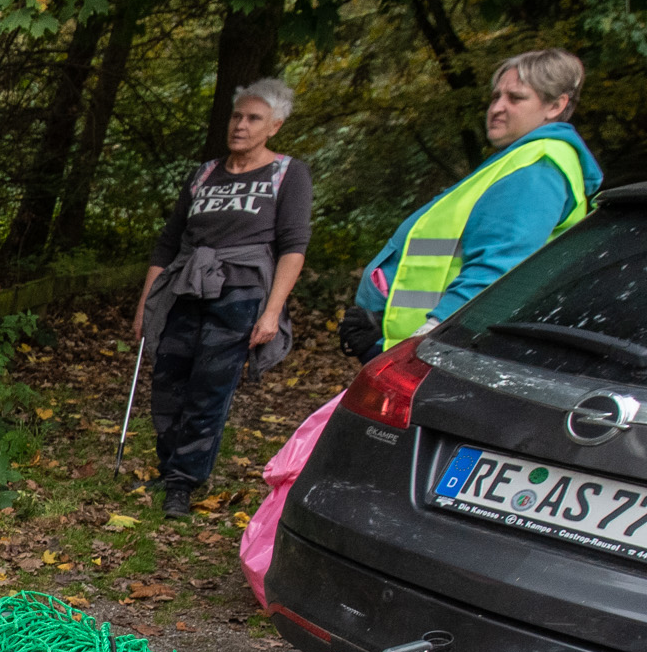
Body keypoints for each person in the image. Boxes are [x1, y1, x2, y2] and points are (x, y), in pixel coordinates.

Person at [340, 48, 601, 363]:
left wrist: (424, 343)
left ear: (556, 105)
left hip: (439, 353)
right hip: (421, 347)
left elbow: (496, 270)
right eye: (495, 97)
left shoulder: (537, 168)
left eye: (515, 98)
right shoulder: (520, 161)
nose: (497, 108)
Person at [131, 78, 311, 517]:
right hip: (184, 285)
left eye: (254, 119)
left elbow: (293, 247)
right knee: (169, 379)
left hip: (241, 291)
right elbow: (168, 243)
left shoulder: (287, 173)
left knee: (209, 387)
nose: (241, 126)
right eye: (237, 116)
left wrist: (272, 312)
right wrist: (144, 306)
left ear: (274, 126)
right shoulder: (204, 174)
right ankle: (168, 464)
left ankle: (183, 482)